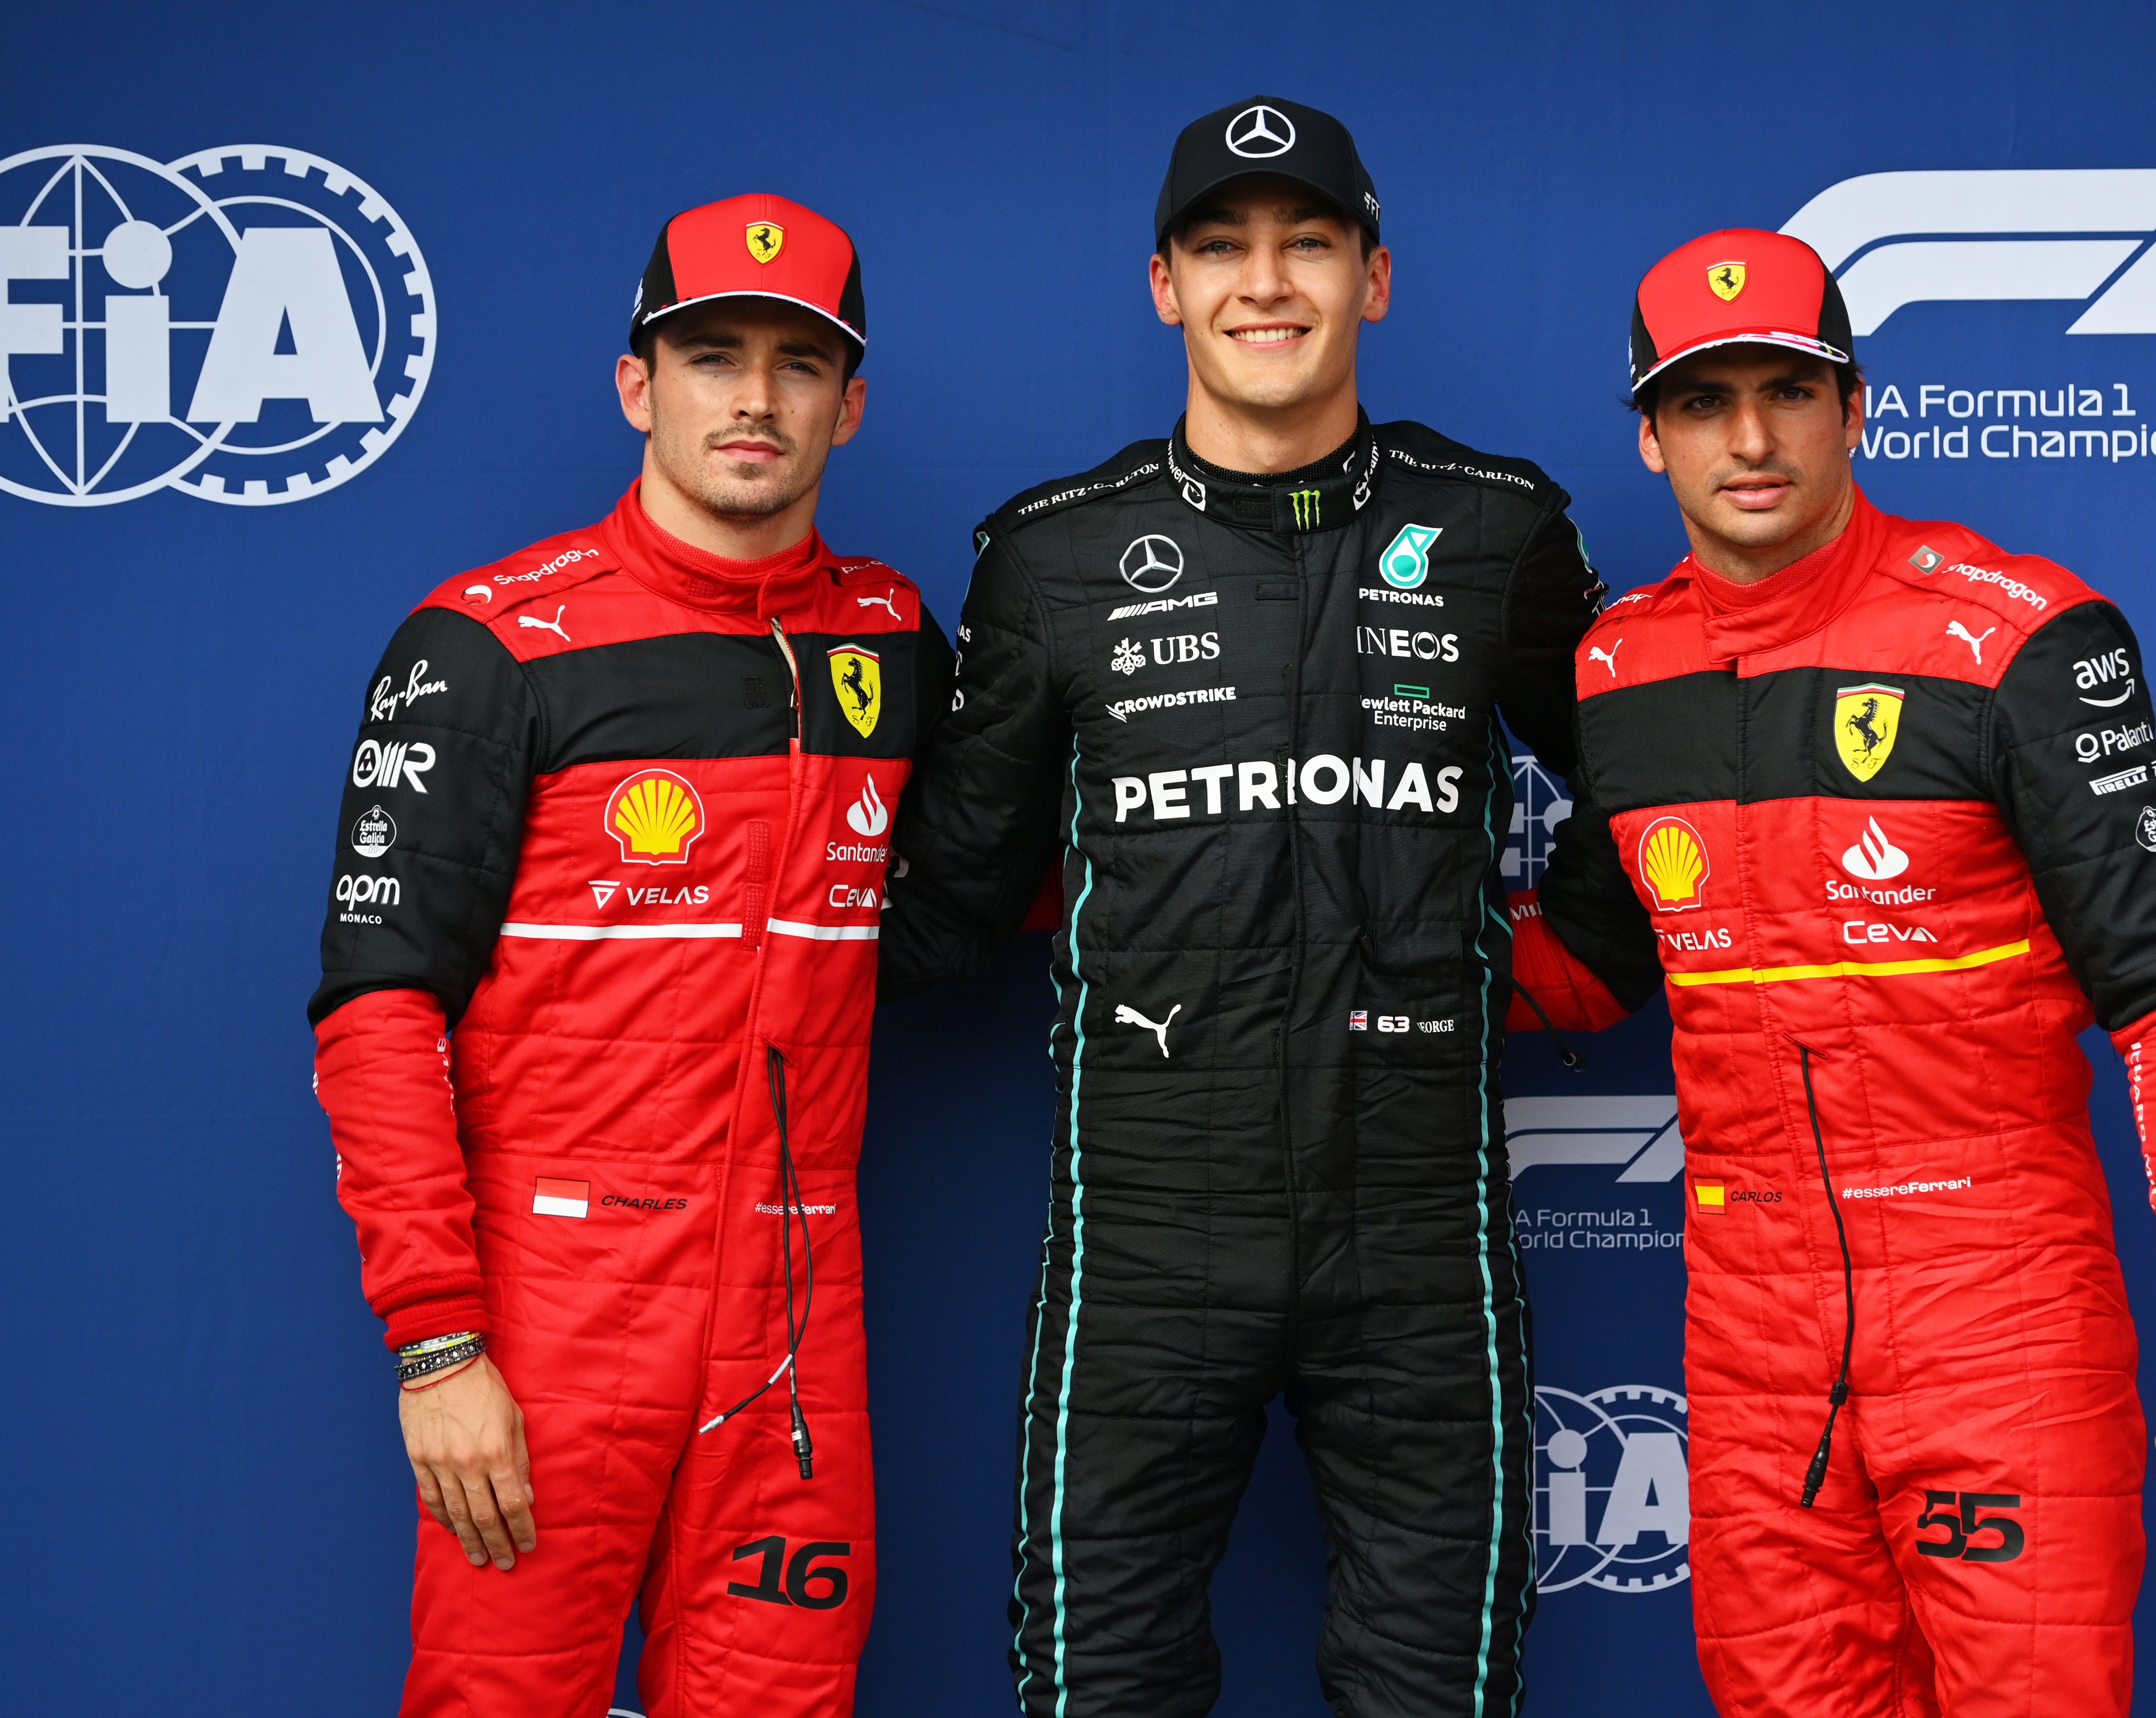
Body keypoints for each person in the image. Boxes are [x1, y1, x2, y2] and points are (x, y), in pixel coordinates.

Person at [878, 96, 1603, 1718]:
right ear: (1164, 285)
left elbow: (1653, 785)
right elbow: (953, 894)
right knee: (1100, 1683)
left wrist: (1558, 972)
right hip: (1145, 1228)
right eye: (1222, 248)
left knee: (1440, 1690)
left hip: (1422, 1227)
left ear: (1375, 278)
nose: (1264, 285)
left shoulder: (1498, 530)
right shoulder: (1053, 557)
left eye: (1308, 246)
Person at [1508, 229, 2156, 1718]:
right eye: (1702, 399)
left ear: (1855, 408)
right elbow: (1595, 967)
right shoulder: (1622, 674)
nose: (1749, 436)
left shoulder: (2021, 638)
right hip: (1751, 1349)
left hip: (2000, 1313)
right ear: (1652, 436)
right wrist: (1351, 947)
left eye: (1788, 390)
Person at [309, 192, 944, 1717]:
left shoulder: (898, 641)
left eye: (800, 364)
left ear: (849, 408)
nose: (753, 397)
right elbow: (379, 1010)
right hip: (552, 1315)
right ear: (635, 384)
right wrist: (438, 1343)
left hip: (795, 1308)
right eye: (711, 352)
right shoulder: (488, 644)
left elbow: (994, 882)